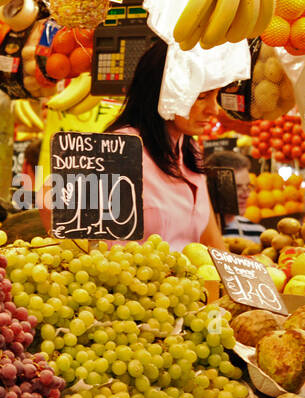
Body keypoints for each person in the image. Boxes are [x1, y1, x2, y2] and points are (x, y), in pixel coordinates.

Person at [106, 41, 228, 251]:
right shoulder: (119, 149)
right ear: (162, 91)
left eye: (216, 96)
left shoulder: (190, 150)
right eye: (202, 97)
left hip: (189, 281)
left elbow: (211, 242)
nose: (214, 110)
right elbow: (54, 203)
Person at [203, 150, 264, 243]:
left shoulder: (258, 234)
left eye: (248, 186)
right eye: (237, 187)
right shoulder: (199, 234)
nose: (246, 195)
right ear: (214, 187)